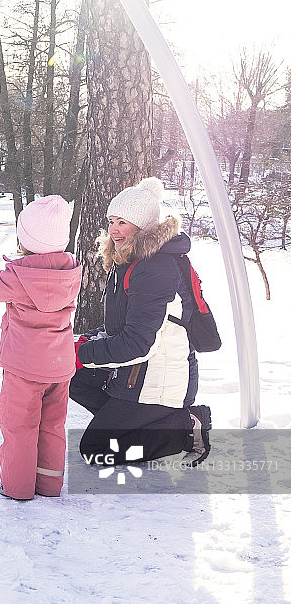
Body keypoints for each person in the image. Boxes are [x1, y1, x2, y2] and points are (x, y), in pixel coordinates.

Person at [71, 177, 212, 468]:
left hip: (160, 382)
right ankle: (137, 426)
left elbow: (137, 343)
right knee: (76, 382)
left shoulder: (155, 268)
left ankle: (186, 426)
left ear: (143, 227)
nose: (113, 230)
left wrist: (81, 354)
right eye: (112, 221)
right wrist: (85, 342)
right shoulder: (134, 260)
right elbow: (124, 326)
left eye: (123, 222)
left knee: (96, 450)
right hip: (138, 372)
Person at [0, 195, 82, 500]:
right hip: (60, 365)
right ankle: (50, 484)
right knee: (52, 425)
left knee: (19, 426)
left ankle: (17, 487)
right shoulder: (71, 272)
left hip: (25, 368)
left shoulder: (19, 277)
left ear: (26, 239)